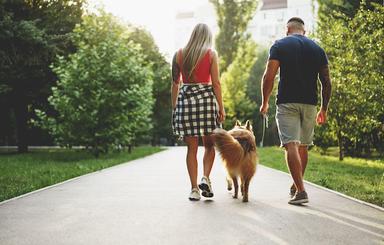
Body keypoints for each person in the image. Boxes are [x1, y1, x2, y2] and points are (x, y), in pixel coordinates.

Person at [260, 17, 332, 205]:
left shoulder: (280, 45)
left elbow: (269, 76)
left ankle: (300, 191)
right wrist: (324, 108)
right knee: (303, 146)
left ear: (287, 30)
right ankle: (296, 184)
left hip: (287, 102)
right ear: (304, 31)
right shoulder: (317, 49)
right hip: (310, 103)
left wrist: (265, 102)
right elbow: (326, 82)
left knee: (291, 145)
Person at [171, 23, 225, 201]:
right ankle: (205, 178)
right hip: (207, 102)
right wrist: (221, 107)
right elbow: (216, 83)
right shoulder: (211, 54)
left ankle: (194, 189)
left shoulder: (178, 54)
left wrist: (174, 109)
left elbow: (175, 84)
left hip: (186, 102)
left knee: (191, 148)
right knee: (209, 145)